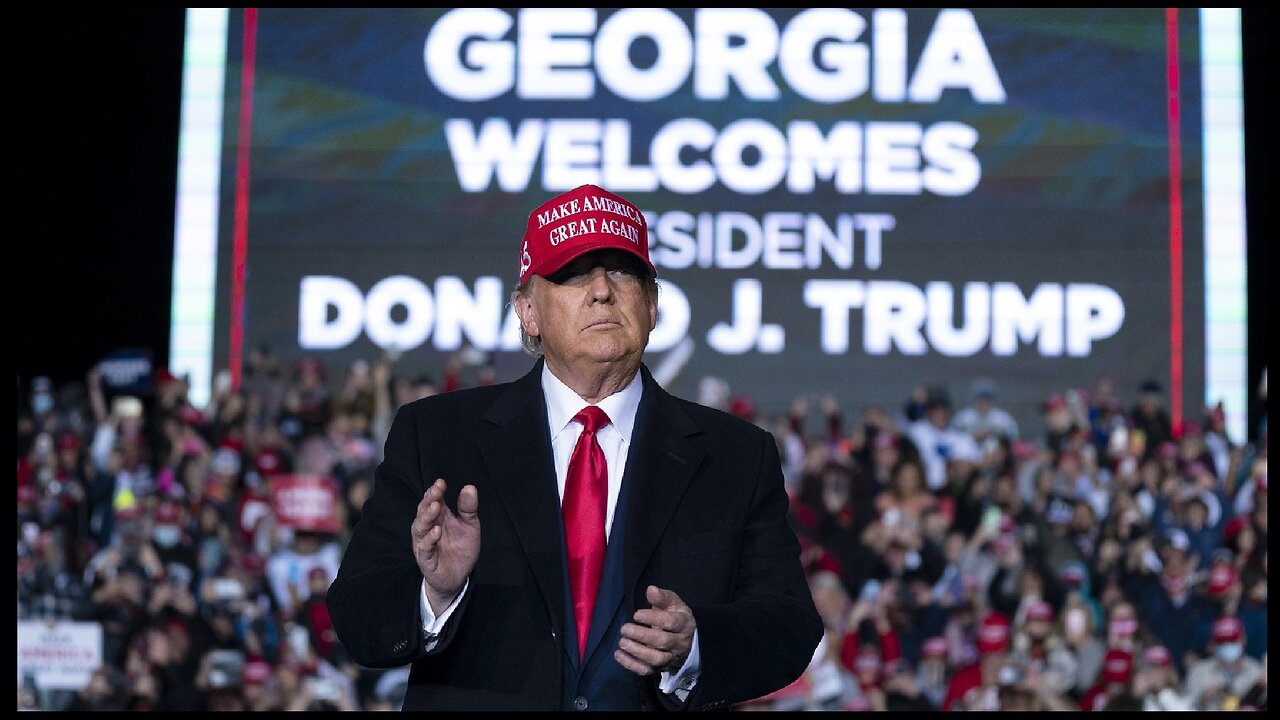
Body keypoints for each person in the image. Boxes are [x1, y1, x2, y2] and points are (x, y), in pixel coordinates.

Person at [327, 184, 822, 711]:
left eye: (623, 271)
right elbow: (358, 614)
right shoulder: (437, 435)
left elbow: (789, 625)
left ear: (651, 306)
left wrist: (696, 644)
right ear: (527, 312)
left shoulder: (737, 457)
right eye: (572, 274)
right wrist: (437, 596)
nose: (603, 290)